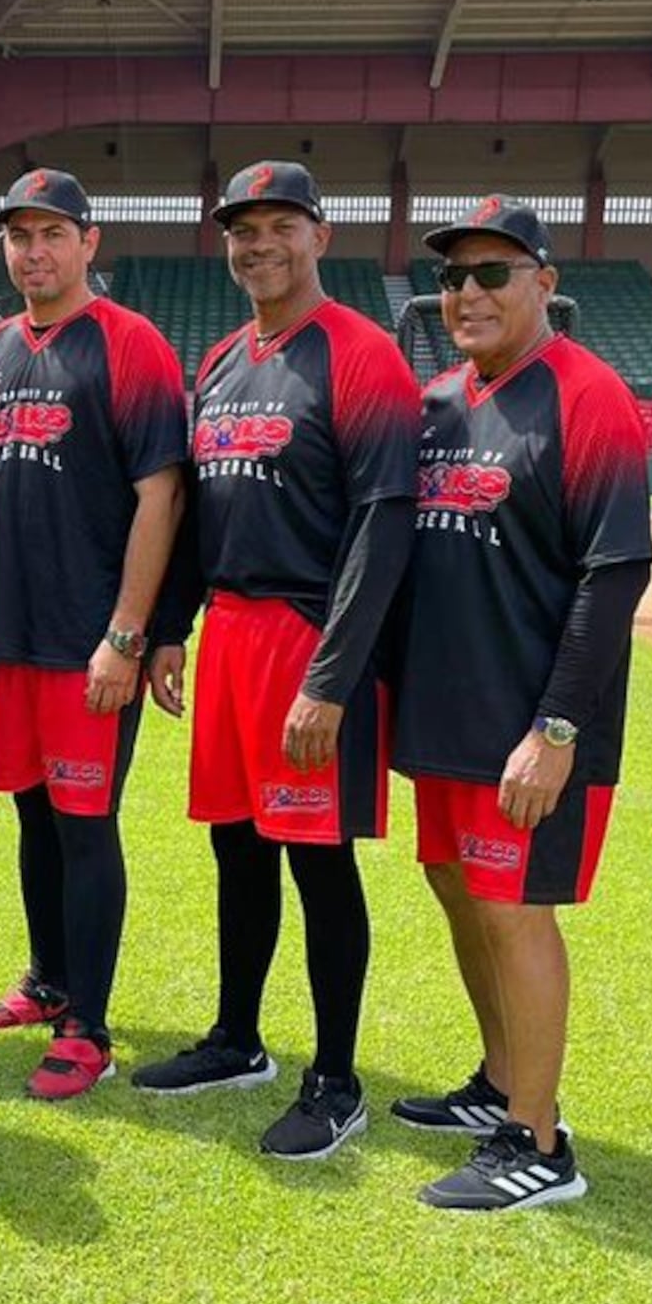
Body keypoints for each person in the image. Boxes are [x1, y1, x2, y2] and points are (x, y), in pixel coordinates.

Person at [140, 161, 418, 1159]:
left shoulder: (361, 356)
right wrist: (173, 626)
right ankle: (234, 1037)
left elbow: (383, 529)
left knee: (317, 856)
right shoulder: (218, 359)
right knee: (235, 843)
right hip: (230, 631)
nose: (257, 245)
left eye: (278, 227)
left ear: (319, 234)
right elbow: (200, 514)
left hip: (312, 636)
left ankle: (335, 1080)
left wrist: (333, 680)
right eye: (240, 230)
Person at [390, 197, 652, 1211]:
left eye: (492, 273)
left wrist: (555, 732)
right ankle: (498, 1084)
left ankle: (538, 1144)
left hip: (531, 729)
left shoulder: (587, 396)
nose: (467, 293)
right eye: (453, 277)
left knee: (514, 917)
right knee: (458, 894)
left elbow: (615, 575)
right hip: (449, 720)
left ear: (545, 283)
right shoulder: (441, 401)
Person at [0, 168, 187, 1100]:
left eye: (52, 234)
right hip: (15, 636)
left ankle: (89, 1024)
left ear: (90, 243)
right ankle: (48, 980)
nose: (34, 252)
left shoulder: (130, 347)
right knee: (31, 812)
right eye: (19, 236)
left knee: (85, 825)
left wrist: (127, 635)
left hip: (90, 640)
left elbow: (160, 495)